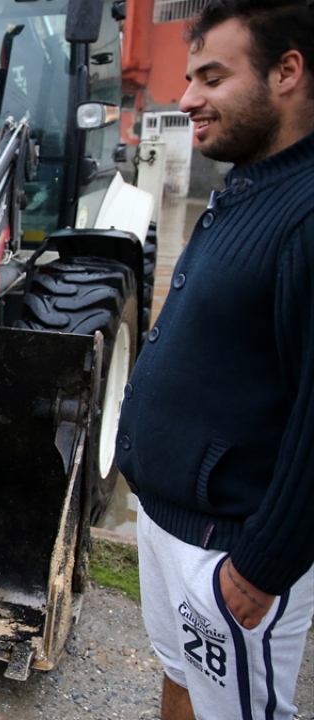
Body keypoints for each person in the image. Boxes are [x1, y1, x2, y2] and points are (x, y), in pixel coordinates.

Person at [116, 2, 314, 718]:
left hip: (230, 549)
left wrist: (263, 564)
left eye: (211, 77)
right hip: (174, 521)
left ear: (288, 70)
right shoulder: (249, 187)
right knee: (182, 678)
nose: (187, 97)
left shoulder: (306, 214)